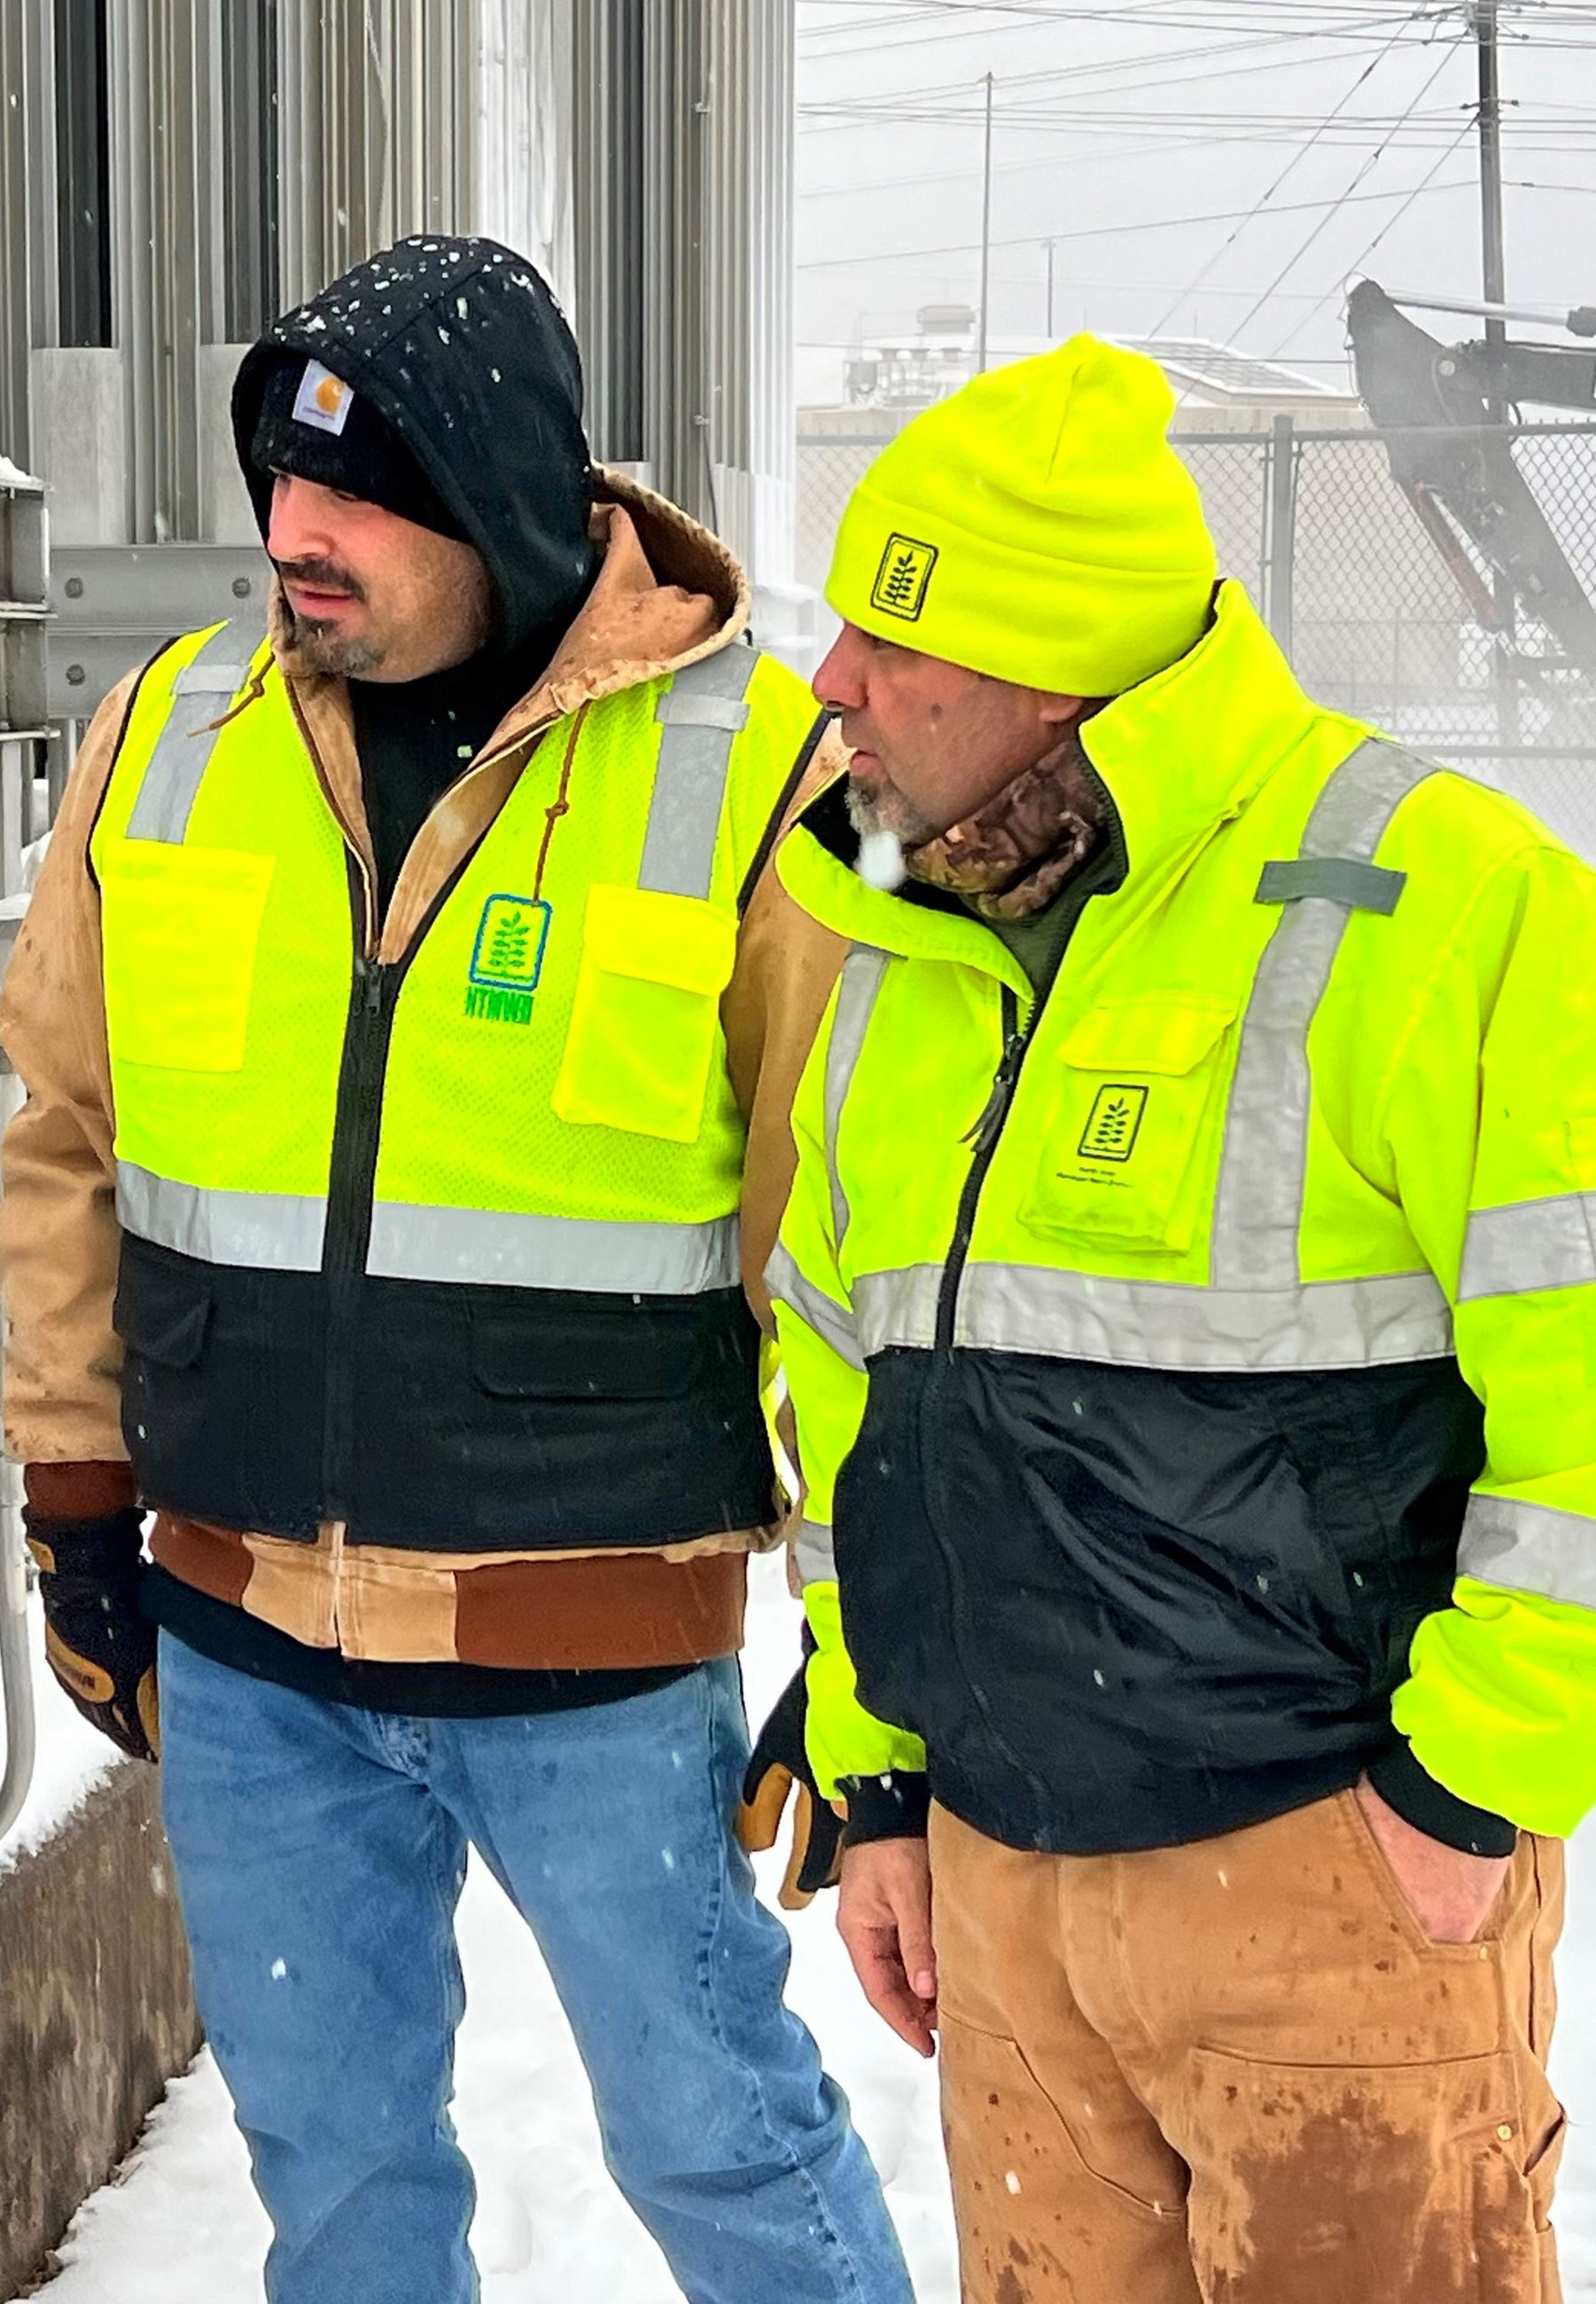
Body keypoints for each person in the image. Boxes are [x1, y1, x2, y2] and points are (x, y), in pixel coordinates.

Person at [0, 233, 913, 2304]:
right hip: (250, 1658)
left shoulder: (756, 770)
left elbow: (859, 1258)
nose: (291, 540)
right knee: (336, 2178)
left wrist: (868, 1658)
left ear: (498, 494)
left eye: (356, 494)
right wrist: (71, 1489)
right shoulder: (173, 731)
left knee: (722, 2148)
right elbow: (64, 1130)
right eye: (277, 486)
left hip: (590, 1653)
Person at [753, 332, 1590, 2302]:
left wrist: (1467, 1787)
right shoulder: (903, 937)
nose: (832, 683)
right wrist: (877, 1781)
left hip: (1330, 1881)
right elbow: (849, 1398)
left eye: (893, 632)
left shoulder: (1450, 906)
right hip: (1003, 1896)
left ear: (1054, 662)